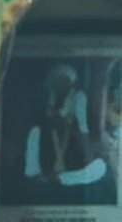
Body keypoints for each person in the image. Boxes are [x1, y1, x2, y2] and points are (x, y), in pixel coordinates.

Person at [21, 63, 112, 194]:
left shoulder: (82, 132)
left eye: (67, 82)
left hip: (75, 190)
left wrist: (60, 178)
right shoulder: (37, 132)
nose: (63, 86)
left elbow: (93, 168)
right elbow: (33, 174)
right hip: (47, 191)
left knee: (99, 166)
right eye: (59, 82)